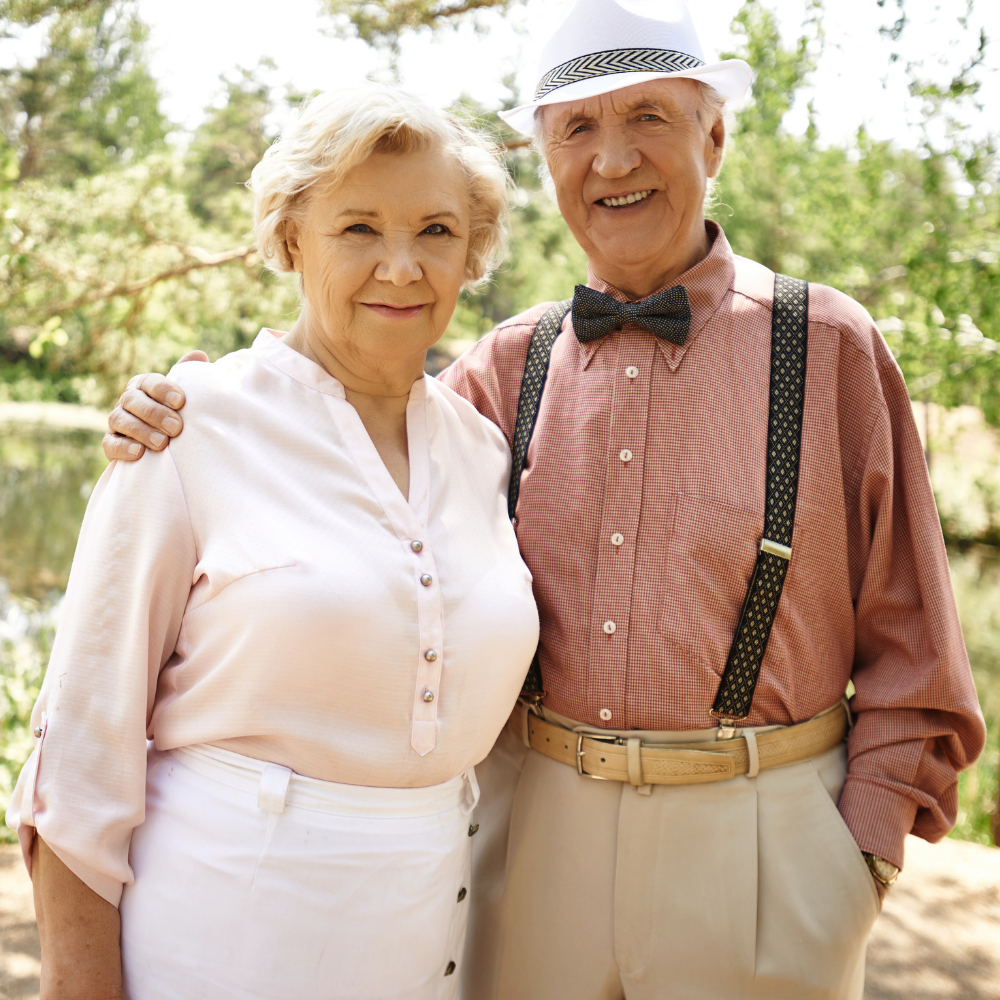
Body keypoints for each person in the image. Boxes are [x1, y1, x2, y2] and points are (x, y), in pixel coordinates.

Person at [103, 0, 987, 998]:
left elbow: (917, 650)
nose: (612, 159)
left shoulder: (827, 347)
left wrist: (854, 864)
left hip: (763, 846)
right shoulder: (500, 369)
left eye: (648, 117)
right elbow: (348, 431)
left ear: (716, 135)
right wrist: (197, 397)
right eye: (577, 128)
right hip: (536, 836)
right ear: (547, 159)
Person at [5, 86, 541, 1000]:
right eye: (359, 228)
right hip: (213, 943)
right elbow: (84, 754)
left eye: (437, 232)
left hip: (426, 945)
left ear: (475, 251)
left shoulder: (485, 450)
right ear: (293, 239)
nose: (402, 268)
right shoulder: (188, 430)